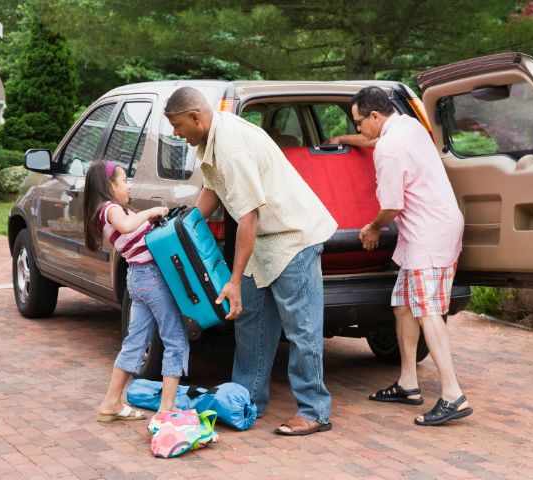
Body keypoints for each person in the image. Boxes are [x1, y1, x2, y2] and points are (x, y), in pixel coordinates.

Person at [164, 87, 338, 436]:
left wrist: (234, 279)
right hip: (263, 242)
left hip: (292, 238)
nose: (175, 133)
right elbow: (211, 191)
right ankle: (246, 400)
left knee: (301, 329)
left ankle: (314, 410)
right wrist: (183, 231)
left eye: (178, 125)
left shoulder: (232, 148)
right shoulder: (208, 141)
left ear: (196, 117)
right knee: (250, 322)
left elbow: (248, 217)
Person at [352, 86, 473, 426]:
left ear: (376, 116)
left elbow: (392, 206)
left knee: (428, 311)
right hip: (435, 227)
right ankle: (408, 384)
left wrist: (373, 228)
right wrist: (345, 138)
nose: (360, 129)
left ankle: (453, 395)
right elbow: (372, 141)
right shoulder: (408, 125)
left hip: (427, 235)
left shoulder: (389, 148)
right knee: (403, 305)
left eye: (359, 123)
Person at [83, 160, 187, 423]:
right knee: (175, 339)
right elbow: (127, 227)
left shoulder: (108, 211)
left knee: (135, 343)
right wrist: (150, 212)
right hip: (150, 278)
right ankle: (166, 410)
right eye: (123, 180)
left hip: (138, 279)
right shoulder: (109, 210)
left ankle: (111, 403)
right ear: (109, 186)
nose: (127, 185)